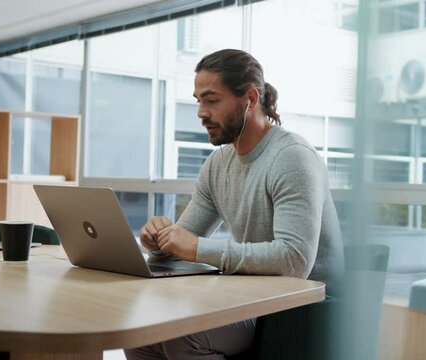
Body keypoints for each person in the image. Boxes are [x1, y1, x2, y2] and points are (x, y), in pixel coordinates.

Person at [124, 49, 344, 360]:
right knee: (143, 332)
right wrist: (159, 240)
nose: (201, 112)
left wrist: (197, 248)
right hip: (254, 294)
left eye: (211, 100)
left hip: (304, 305)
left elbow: (295, 261)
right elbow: (184, 237)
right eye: (198, 100)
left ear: (250, 99)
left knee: (183, 335)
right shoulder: (218, 164)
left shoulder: (292, 157)